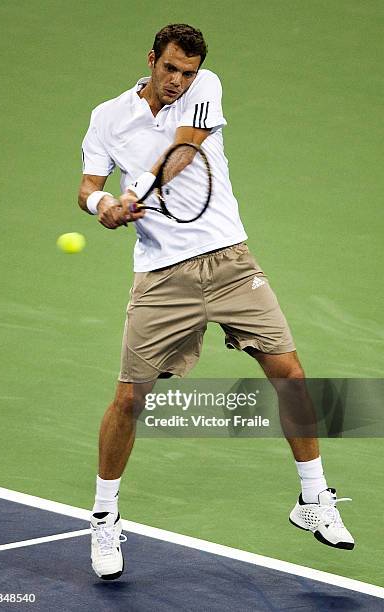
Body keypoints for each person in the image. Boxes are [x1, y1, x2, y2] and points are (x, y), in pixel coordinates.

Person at [78, 24, 354, 581]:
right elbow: (85, 185)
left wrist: (135, 192)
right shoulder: (108, 116)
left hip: (229, 261)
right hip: (160, 275)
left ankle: (313, 498)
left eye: (188, 72)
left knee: (289, 373)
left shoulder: (206, 88)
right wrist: (103, 204)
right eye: (170, 69)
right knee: (129, 399)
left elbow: (183, 151)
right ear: (151, 60)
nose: (179, 81)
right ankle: (104, 518)